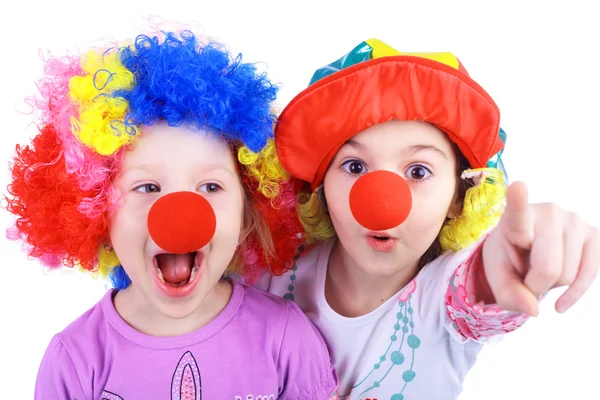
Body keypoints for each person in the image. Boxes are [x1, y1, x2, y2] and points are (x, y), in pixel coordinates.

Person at [4, 28, 339, 399]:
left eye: (211, 187)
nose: (181, 215)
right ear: (97, 210)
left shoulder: (285, 338)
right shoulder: (76, 359)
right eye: (147, 187)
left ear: (247, 215)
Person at [260, 38, 599, 399]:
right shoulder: (272, 272)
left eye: (418, 172)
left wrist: (511, 262)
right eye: (355, 166)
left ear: (458, 196)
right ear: (322, 185)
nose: (380, 202)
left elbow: (477, 290)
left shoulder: (444, 299)